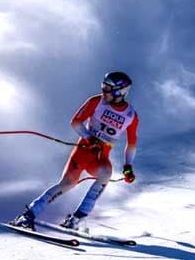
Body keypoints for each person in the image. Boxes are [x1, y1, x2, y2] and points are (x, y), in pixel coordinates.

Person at [11, 71, 139, 231]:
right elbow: (76, 122)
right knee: (68, 184)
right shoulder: (96, 101)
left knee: (106, 173)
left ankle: (77, 219)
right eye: (104, 86)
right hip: (84, 151)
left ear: (121, 91)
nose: (103, 91)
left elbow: (132, 143)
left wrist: (128, 167)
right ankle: (27, 215)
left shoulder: (130, 115)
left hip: (100, 157)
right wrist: (88, 137)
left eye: (108, 88)